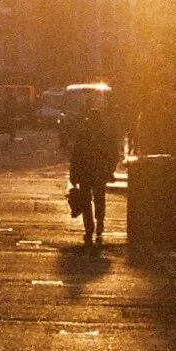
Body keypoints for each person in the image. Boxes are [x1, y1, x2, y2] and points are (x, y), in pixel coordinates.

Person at [66, 101, 121, 245]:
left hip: (86, 172)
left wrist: (73, 174)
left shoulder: (83, 134)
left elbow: (76, 156)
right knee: (99, 198)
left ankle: (89, 227)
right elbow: (113, 154)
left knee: (86, 200)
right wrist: (110, 169)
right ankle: (99, 222)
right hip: (99, 172)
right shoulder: (105, 135)